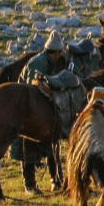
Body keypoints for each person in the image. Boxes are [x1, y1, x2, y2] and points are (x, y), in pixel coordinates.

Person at [11, 30, 70, 193]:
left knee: (52, 142)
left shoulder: (48, 61)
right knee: (28, 146)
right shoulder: (39, 63)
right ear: (57, 52)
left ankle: (55, 181)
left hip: (39, 108)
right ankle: (29, 184)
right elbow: (34, 87)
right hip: (28, 110)